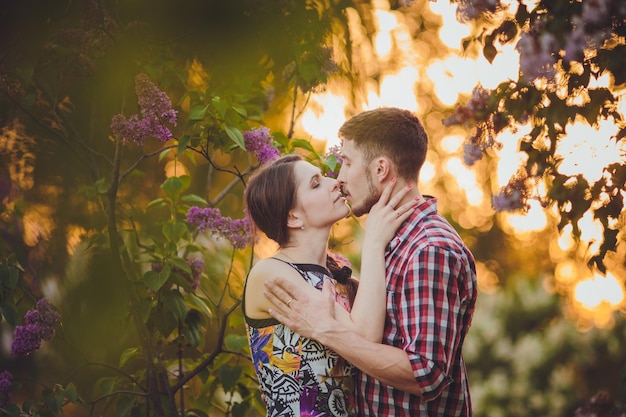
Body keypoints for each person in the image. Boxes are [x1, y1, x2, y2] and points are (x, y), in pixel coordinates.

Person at [263, 107, 478, 417]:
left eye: (347, 162)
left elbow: (427, 373)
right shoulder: (394, 242)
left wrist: (326, 331)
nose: (339, 177)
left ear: (380, 169)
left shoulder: (428, 249)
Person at [243, 154, 416, 416]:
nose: (333, 182)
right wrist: (373, 243)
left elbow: (367, 349)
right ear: (293, 218)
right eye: (315, 183)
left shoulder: (341, 282)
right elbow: (365, 337)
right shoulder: (270, 273)